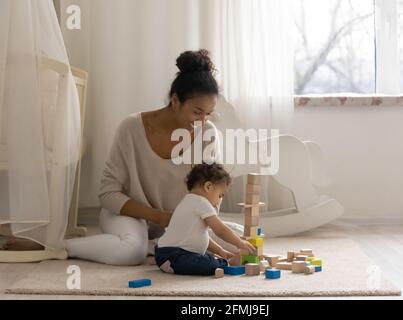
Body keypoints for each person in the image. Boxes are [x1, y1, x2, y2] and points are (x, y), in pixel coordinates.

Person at [3, 49, 244, 265]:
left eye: (209, 114)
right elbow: (108, 194)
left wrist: (191, 224)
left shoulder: (208, 134)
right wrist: (159, 216)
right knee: (131, 252)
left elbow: (212, 197)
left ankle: (155, 247)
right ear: (175, 100)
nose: (202, 121)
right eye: (197, 112)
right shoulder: (131, 127)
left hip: (177, 222)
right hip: (130, 214)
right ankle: (57, 247)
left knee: (238, 236)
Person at [155, 163, 255, 275]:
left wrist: (220, 251)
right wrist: (240, 243)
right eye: (220, 196)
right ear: (208, 187)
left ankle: (168, 265)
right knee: (208, 264)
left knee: (205, 257)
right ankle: (226, 263)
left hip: (163, 254)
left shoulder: (188, 201)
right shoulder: (202, 203)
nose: (219, 201)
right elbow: (221, 230)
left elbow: (203, 237)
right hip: (176, 257)